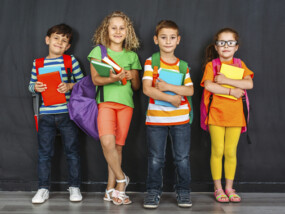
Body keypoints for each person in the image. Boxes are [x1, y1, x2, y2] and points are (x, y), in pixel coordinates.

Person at [87, 11, 141, 205]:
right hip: (105, 103)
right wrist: (114, 78)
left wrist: (129, 75)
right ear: (106, 30)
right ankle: (122, 179)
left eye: (122, 28)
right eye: (114, 27)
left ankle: (112, 189)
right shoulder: (98, 52)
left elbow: (136, 87)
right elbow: (96, 80)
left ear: (128, 32)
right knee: (107, 143)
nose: (118, 31)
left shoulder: (132, 55)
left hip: (126, 105)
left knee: (117, 147)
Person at [28, 23, 84, 204]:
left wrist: (69, 85)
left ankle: (74, 187)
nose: (59, 42)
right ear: (48, 40)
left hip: (68, 114)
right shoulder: (38, 63)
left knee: (72, 152)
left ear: (68, 46)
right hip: (46, 115)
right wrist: (35, 87)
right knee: (44, 154)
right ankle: (43, 188)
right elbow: (31, 86)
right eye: (56, 38)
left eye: (64, 40)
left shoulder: (70, 61)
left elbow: (84, 84)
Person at [142, 20, 194, 209]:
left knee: (182, 158)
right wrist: (170, 97)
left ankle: (183, 191)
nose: (168, 41)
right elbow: (147, 90)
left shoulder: (183, 66)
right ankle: (153, 192)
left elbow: (190, 91)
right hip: (156, 120)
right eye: (163, 37)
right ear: (156, 40)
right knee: (156, 158)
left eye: (172, 38)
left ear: (178, 40)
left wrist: (167, 87)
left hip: (181, 120)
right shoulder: (151, 62)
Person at [200, 28, 254, 203]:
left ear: (236, 47)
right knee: (217, 151)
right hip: (216, 114)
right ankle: (218, 188)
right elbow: (209, 86)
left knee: (231, 152)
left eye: (230, 43)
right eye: (221, 43)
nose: (225, 46)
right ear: (216, 47)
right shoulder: (211, 65)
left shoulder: (240, 64)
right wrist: (232, 89)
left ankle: (229, 187)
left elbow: (249, 84)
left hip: (236, 115)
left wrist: (225, 80)